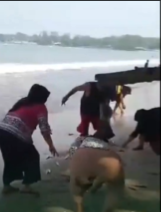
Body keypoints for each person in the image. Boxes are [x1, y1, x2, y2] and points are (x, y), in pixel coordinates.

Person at [0, 84, 58, 195]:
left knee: (10, 159)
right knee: (33, 157)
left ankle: (7, 186)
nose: (46, 100)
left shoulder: (22, 102)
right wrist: (51, 145)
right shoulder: (40, 107)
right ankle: (27, 186)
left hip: (2, 131)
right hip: (16, 135)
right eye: (46, 97)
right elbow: (44, 129)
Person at [69, 120, 125, 212]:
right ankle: (108, 209)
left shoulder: (80, 140)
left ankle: (79, 208)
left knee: (77, 189)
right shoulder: (110, 146)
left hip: (81, 158)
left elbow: (72, 152)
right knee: (115, 190)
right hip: (109, 161)